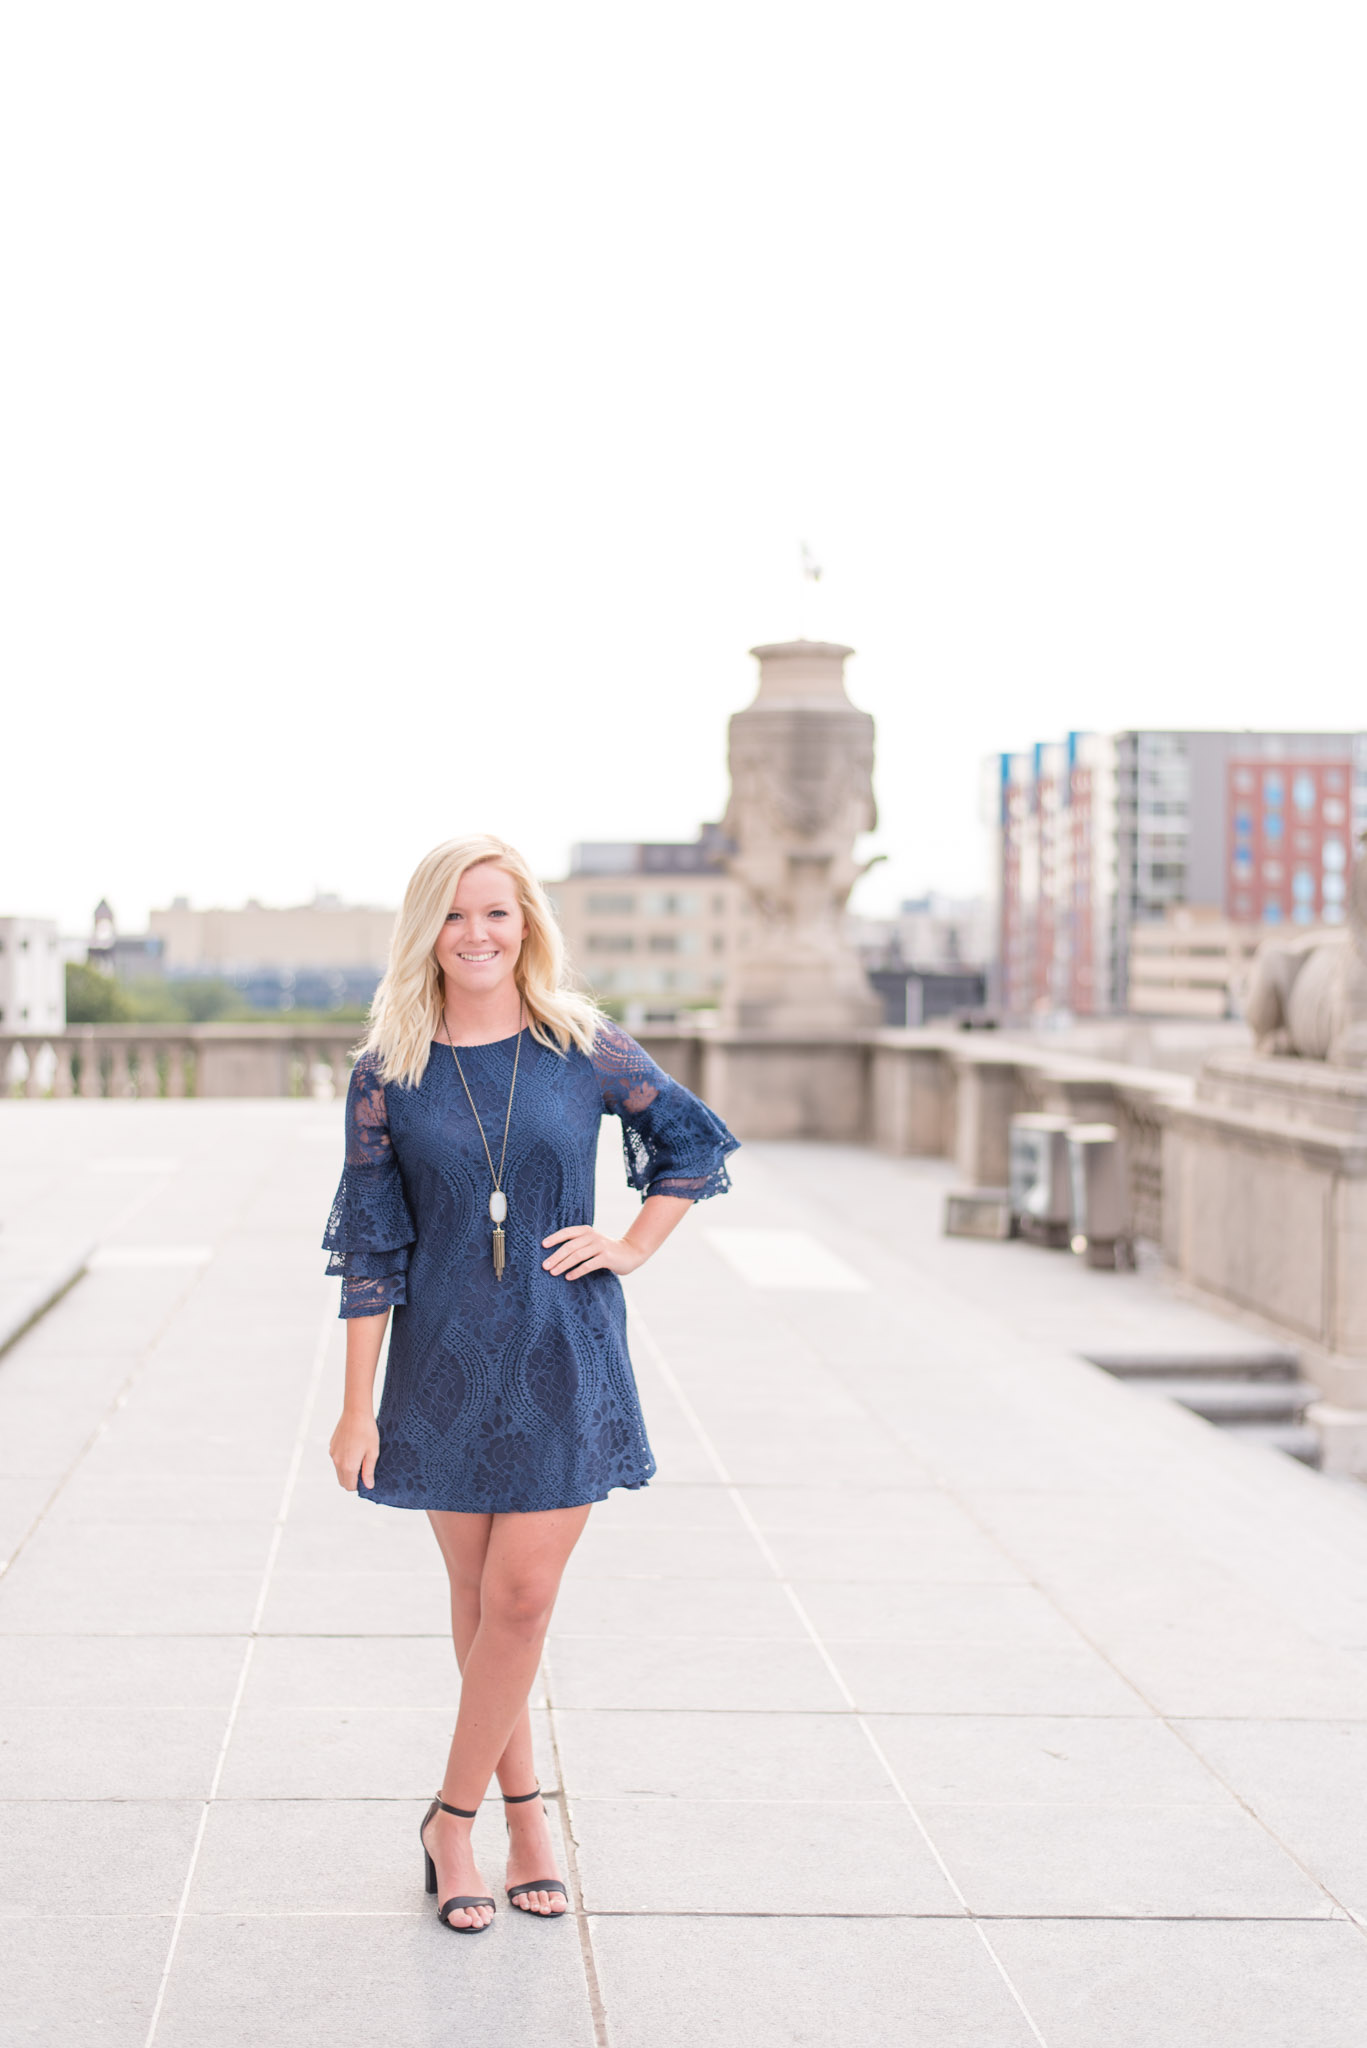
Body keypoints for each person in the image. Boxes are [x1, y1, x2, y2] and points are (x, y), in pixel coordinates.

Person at [323, 835, 739, 1932]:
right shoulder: (389, 1071)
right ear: (428, 929)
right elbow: (372, 1249)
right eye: (456, 915)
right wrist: (354, 1405)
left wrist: (635, 1244)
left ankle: (450, 1819)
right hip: (443, 1364)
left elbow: (690, 1141)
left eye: (497, 913)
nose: (478, 934)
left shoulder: (580, 1044)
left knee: (520, 1596)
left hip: (564, 1351)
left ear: (527, 924)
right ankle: (526, 1815)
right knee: (476, 1605)